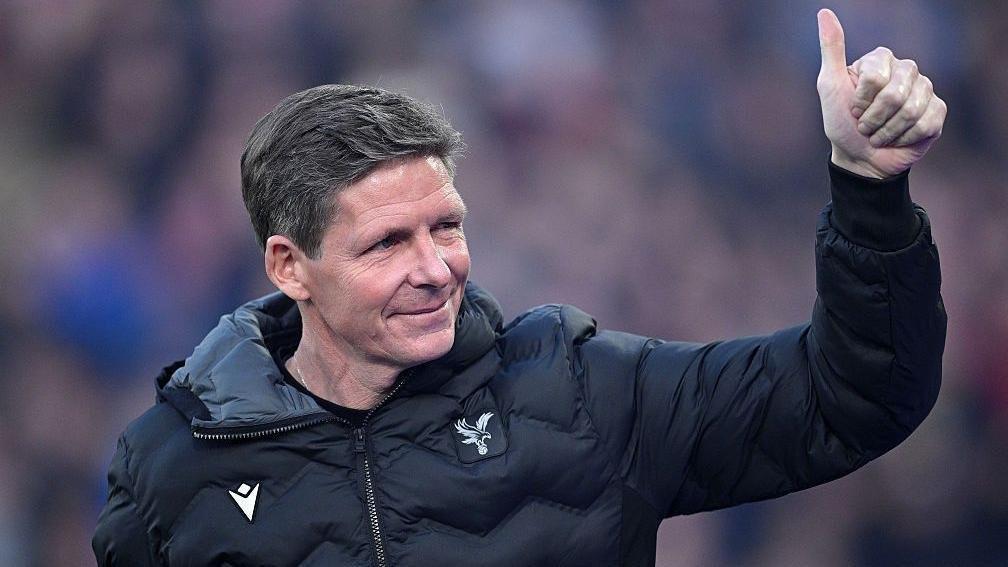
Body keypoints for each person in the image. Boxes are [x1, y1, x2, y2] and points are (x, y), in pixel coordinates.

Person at [93, 10, 947, 566]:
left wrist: (868, 188)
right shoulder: (173, 468)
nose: (436, 268)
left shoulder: (583, 394)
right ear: (289, 266)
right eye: (387, 242)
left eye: (446, 226)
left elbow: (855, 395)